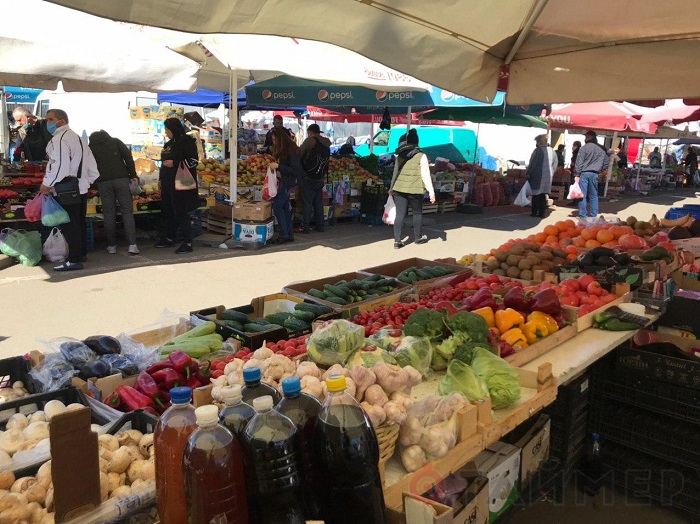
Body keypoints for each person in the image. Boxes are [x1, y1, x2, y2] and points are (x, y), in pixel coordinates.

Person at [40, 109, 100, 271]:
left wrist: (47, 183)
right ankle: (80, 254)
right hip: (80, 188)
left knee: (69, 224)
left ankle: (74, 260)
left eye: (50, 119)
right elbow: (93, 167)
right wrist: (86, 182)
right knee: (79, 222)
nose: (47, 123)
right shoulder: (79, 139)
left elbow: (60, 165)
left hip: (66, 188)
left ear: (61, 121)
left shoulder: (60, 139)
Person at [88, 130, 140, 255]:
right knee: (127, 212)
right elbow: (128, 157)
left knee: (108, 213)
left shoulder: (90, 148)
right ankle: (132, 245)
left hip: (103, 182)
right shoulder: (115, 142)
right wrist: (133, 175)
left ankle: (111, 246)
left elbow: (88, 166)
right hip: (122, 179)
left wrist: (93, 183)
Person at [156, 118, 200, 254]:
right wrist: (160, 180)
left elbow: (193, 161)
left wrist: (174, 163)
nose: (166, 132)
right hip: (167, 183)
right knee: (168, 211)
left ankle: (188, 242)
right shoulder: (169, 144)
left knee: (181, 212)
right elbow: (163, 164)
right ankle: (170, 238)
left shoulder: (187, 142)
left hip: (181, 183)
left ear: (173, 129)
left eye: (167, 130)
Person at [389, 128, 436, 249]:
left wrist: (391, 187)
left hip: (399, 188)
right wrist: (431, 192)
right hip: (415, 190)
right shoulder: (421, 155)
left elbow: (395, 172)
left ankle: (397, 241)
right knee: (417, 213)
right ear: (417, 142)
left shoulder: (400, 154)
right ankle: (417, 238)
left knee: (400, 214)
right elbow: (425, 175)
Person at [268, 127, 304, 244]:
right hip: (287, 181)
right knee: (284, 207)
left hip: (288, 182)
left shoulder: (291, 150)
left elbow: (295, 170)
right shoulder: (287, 149)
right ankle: (289, 234)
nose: (274, 142)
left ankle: (284, 234)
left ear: (281, 139)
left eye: (275, 140)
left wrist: (278, 166)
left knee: (277, 206)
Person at [298, 123, 331, 233]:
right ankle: (320, 226)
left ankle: (306, 226)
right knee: (318, 203)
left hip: (309, 176)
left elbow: (299, 153)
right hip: (320, 176)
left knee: (307, 203)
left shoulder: (310, 141)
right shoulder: (327, 142)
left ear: (310, 132)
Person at [573, 130, 609, 221]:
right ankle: (593, 215)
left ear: (591, 137)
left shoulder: (584, 148)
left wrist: (577, 174)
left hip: (584, 173)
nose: (585, 138)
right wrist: (600, 169)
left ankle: (583, 215)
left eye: (587, 137)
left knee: (582, 195)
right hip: (595, 173)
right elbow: (606, 162)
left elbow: (579, 162)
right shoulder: (601, 149)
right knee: (593, 195)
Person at [525, 134, 557, 218]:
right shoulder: (552, 151)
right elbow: (555, 164)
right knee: (543, 195)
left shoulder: (537, 151)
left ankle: (534, 212)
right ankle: (542, 213)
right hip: (548, 177)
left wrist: (528, 173)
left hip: (537, 176)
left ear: (539, 141)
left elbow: (532, 163)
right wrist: (551, 173)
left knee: (536, 194)